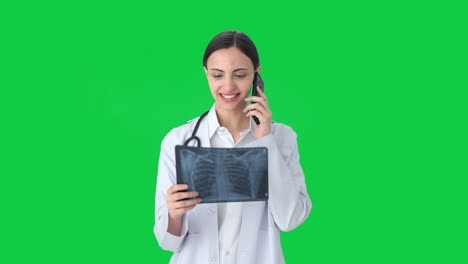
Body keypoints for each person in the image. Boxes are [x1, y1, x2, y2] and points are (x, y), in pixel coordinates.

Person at [154, 30, 312, 264]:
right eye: (218, 75)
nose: (228, 86)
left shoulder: (282, 137)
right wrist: (174, 215)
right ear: (206, 74)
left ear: (256, 76)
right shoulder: (178, 140)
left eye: (239, 75)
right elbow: (167, 243)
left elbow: (290, 219)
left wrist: (266, 140)